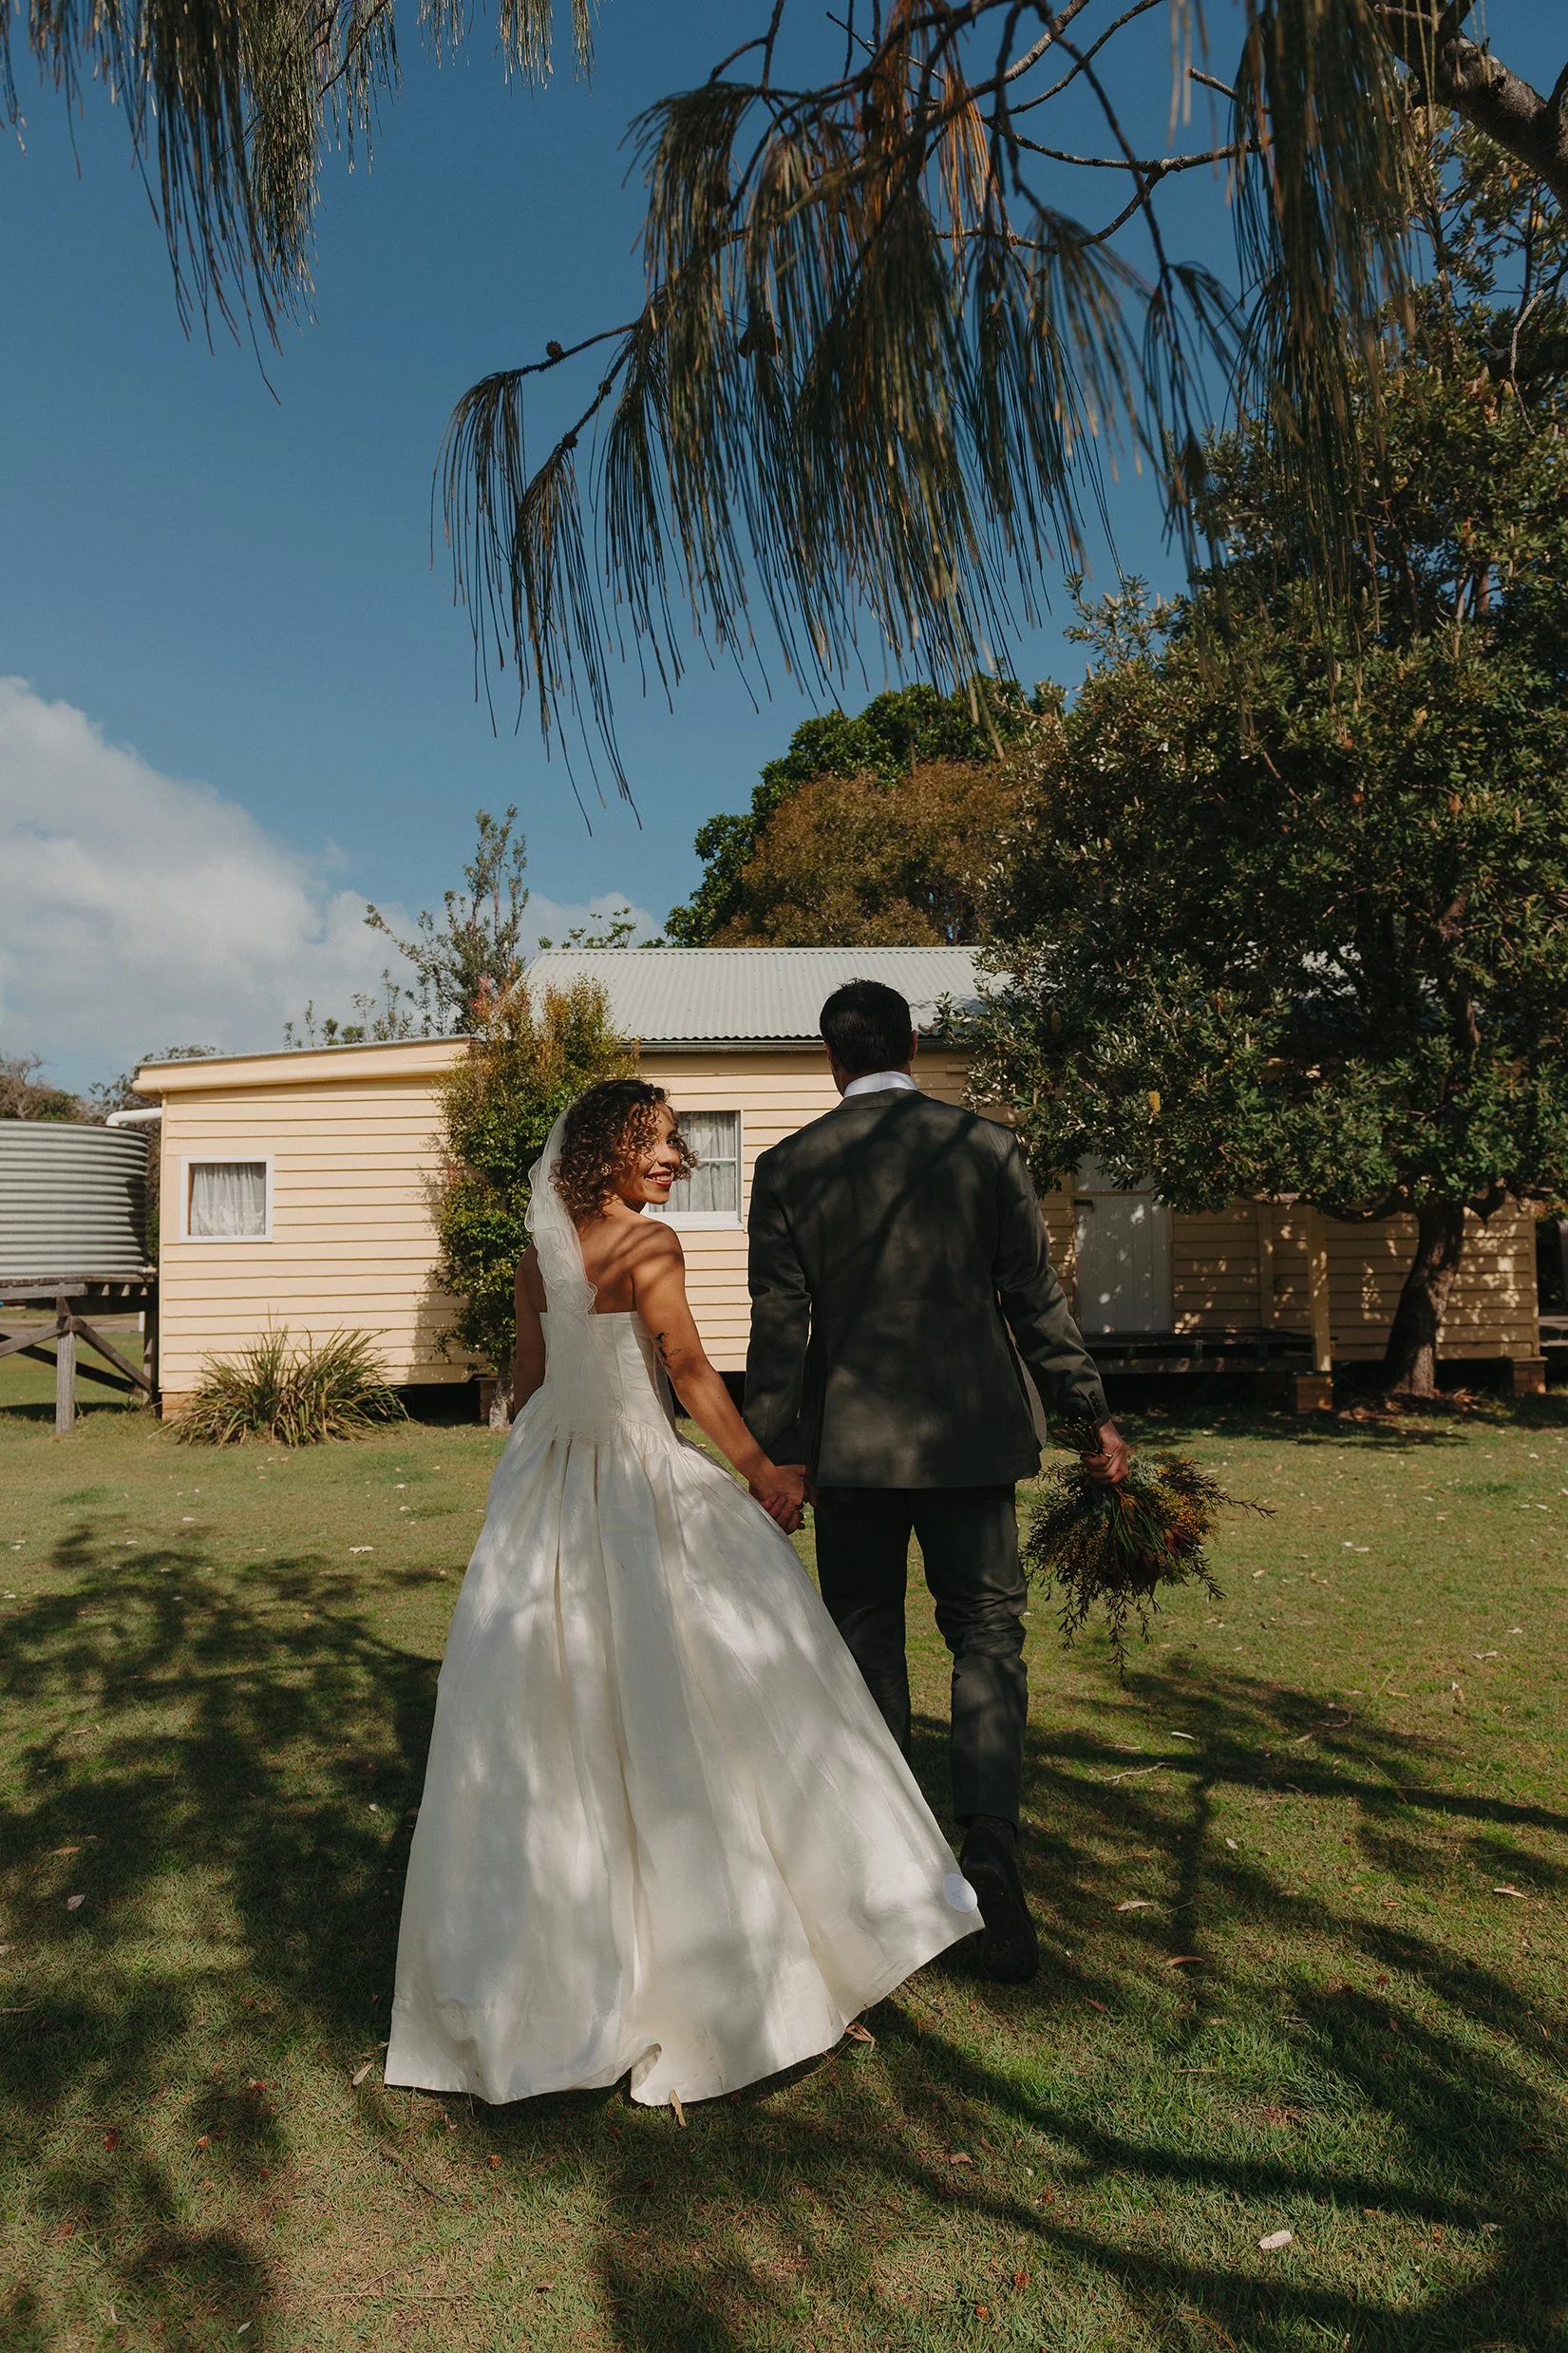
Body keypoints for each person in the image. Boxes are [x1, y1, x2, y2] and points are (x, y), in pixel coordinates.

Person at [386, 1077, 980, 2112]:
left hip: (548, 1482)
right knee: (709, 1695)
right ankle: (743, 1964)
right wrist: (760, 1467)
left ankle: (560, 1979)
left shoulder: (538, 1254)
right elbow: (691, 1366)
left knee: (555, 1712)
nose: (669, 1158)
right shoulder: (651, 1249)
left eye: (673, 1144)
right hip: (636, 1476)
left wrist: (536, 1475)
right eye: (651, 1142)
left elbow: (526, 1383)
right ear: (602, 1152)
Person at [744, 979, 1128, 1983]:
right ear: (913, 1043)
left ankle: (890, 1863)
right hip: (969, 1441)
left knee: (864, 1637)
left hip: (853, 1451)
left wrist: (774, 1454)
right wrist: (1089, 1413)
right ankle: (990, 1843)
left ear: (829, 1056)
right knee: (988, 1634)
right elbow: (1032, 1295)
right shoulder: (983, 1147)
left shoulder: (787, 1166)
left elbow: (780, 1329)